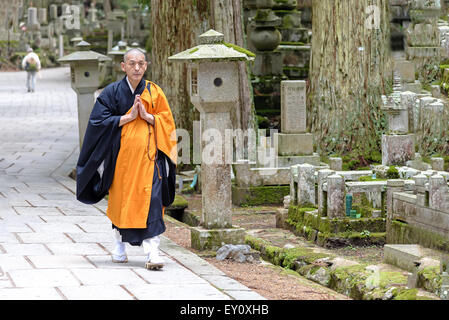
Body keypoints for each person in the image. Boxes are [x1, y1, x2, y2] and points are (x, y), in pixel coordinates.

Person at [76, 48, 177, 270]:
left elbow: (168, 123)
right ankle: (119, 248)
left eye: (141, 63)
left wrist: (148, 117)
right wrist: (128, 117)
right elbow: (97, 123)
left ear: (146, 65)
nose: (137, 67)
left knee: (152, 203)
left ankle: (153, 253)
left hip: (150, 161)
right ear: (123, 66)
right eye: (132, 63)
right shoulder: (111, 93)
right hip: (121, 162)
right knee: (121, 203)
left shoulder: (155, 92)